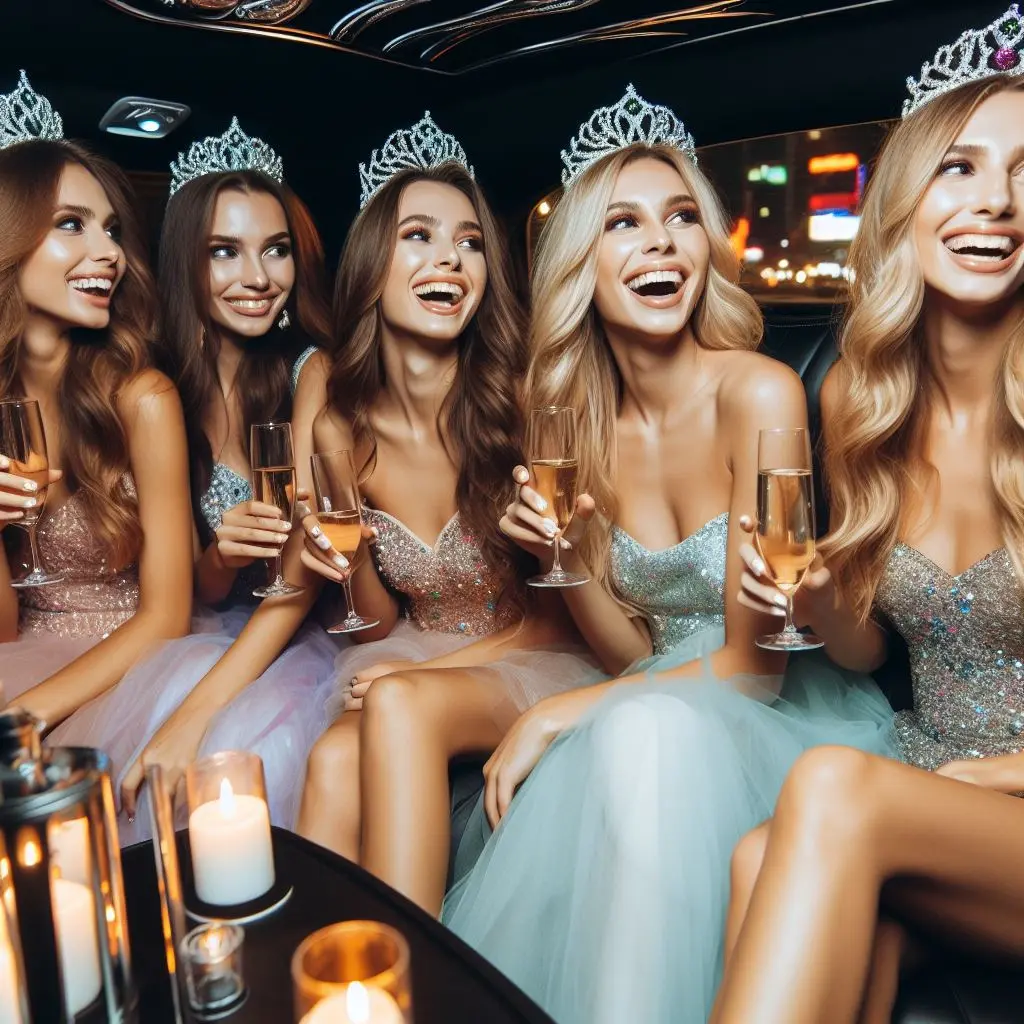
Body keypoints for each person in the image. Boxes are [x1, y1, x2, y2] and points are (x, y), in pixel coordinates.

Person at [441, 85, 896, 1024]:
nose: (661, 243)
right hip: (657, 694)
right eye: (623, 224)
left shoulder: (761, 394)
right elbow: (631, 651)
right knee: (636, 741)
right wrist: (570, 558)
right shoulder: (566, 424)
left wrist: (561, 714)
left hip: (775, 709)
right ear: (581, 265)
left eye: (683, 217)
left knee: (637, 738)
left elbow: (754, 674)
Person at [121, 115, 593, 895]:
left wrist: (431, 661)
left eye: (470, 242)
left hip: (535, 652)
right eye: (420, 236)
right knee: (335, 757)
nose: (449, 257)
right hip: (411, 645)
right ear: (372, 263)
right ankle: (334, 979)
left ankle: (412, 983)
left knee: (394, 702)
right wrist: (344, 561)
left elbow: (560, 611)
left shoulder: (524, 403)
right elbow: (371, 621)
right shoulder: (344, 421)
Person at [710, 8, 1024, 1023]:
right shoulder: (857, 396)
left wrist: (996, 771)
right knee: (759, 858)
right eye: (961, 169)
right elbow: (855, 653)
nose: (997, 203)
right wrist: (805, 591)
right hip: (935, 794)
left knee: (832, 788)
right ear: (905, 200)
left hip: (994, 791)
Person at [50, 119, 340, 839]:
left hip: (292, 636)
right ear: (186, 261)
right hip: (205, 626)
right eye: (225, 252)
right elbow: (199, 589)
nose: (258, 277)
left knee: (237, 748)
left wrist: (192, 717)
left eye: (275, 251)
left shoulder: (311, 373)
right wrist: (220, 558)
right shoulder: (154, 391)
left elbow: (301, 577)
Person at [0, 71, 193, 716]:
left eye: (111, 230)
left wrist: (20, 722)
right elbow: (4, 628)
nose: (108, 252)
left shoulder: (143, 397)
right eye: (72, 224)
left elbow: (168, 617)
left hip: (130, 670)